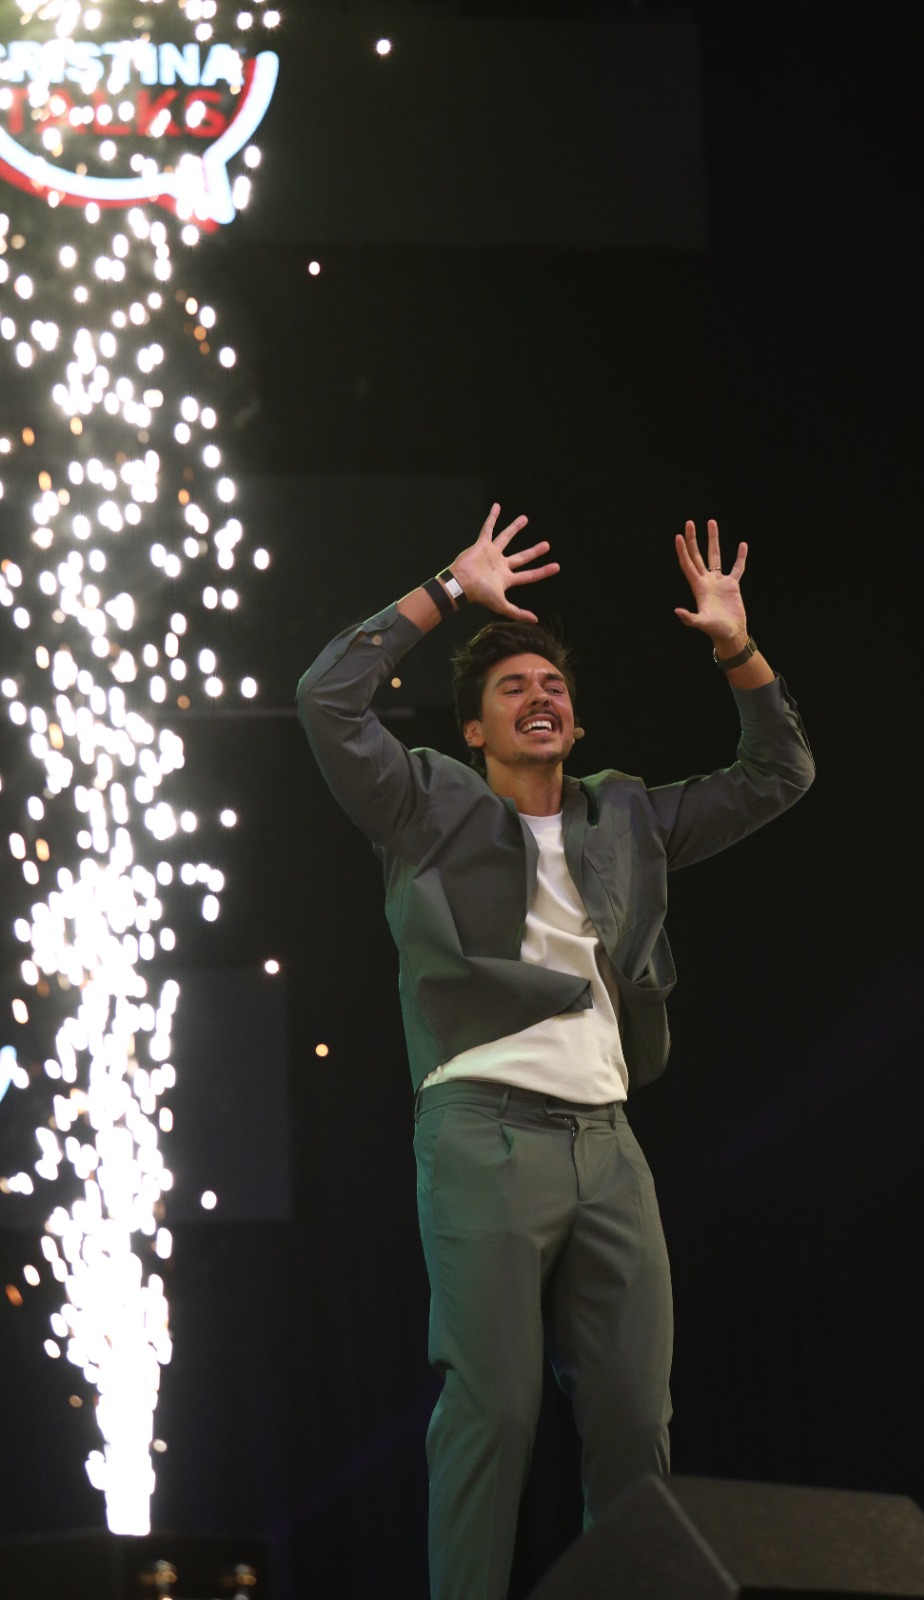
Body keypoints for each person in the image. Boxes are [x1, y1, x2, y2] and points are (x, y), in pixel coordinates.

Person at [296, 506, 814, 1600]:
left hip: (609, 1148)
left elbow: (780, 771)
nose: (540, 696)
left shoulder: (626, 817)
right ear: (472, 729)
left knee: (634, 1418)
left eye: (554, 688)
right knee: (497, 1408)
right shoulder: (422, 803)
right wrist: (447, 589)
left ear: (575, 725)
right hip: (482, 1131)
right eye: (511, 688)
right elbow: (327, 697)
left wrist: (736, 647)